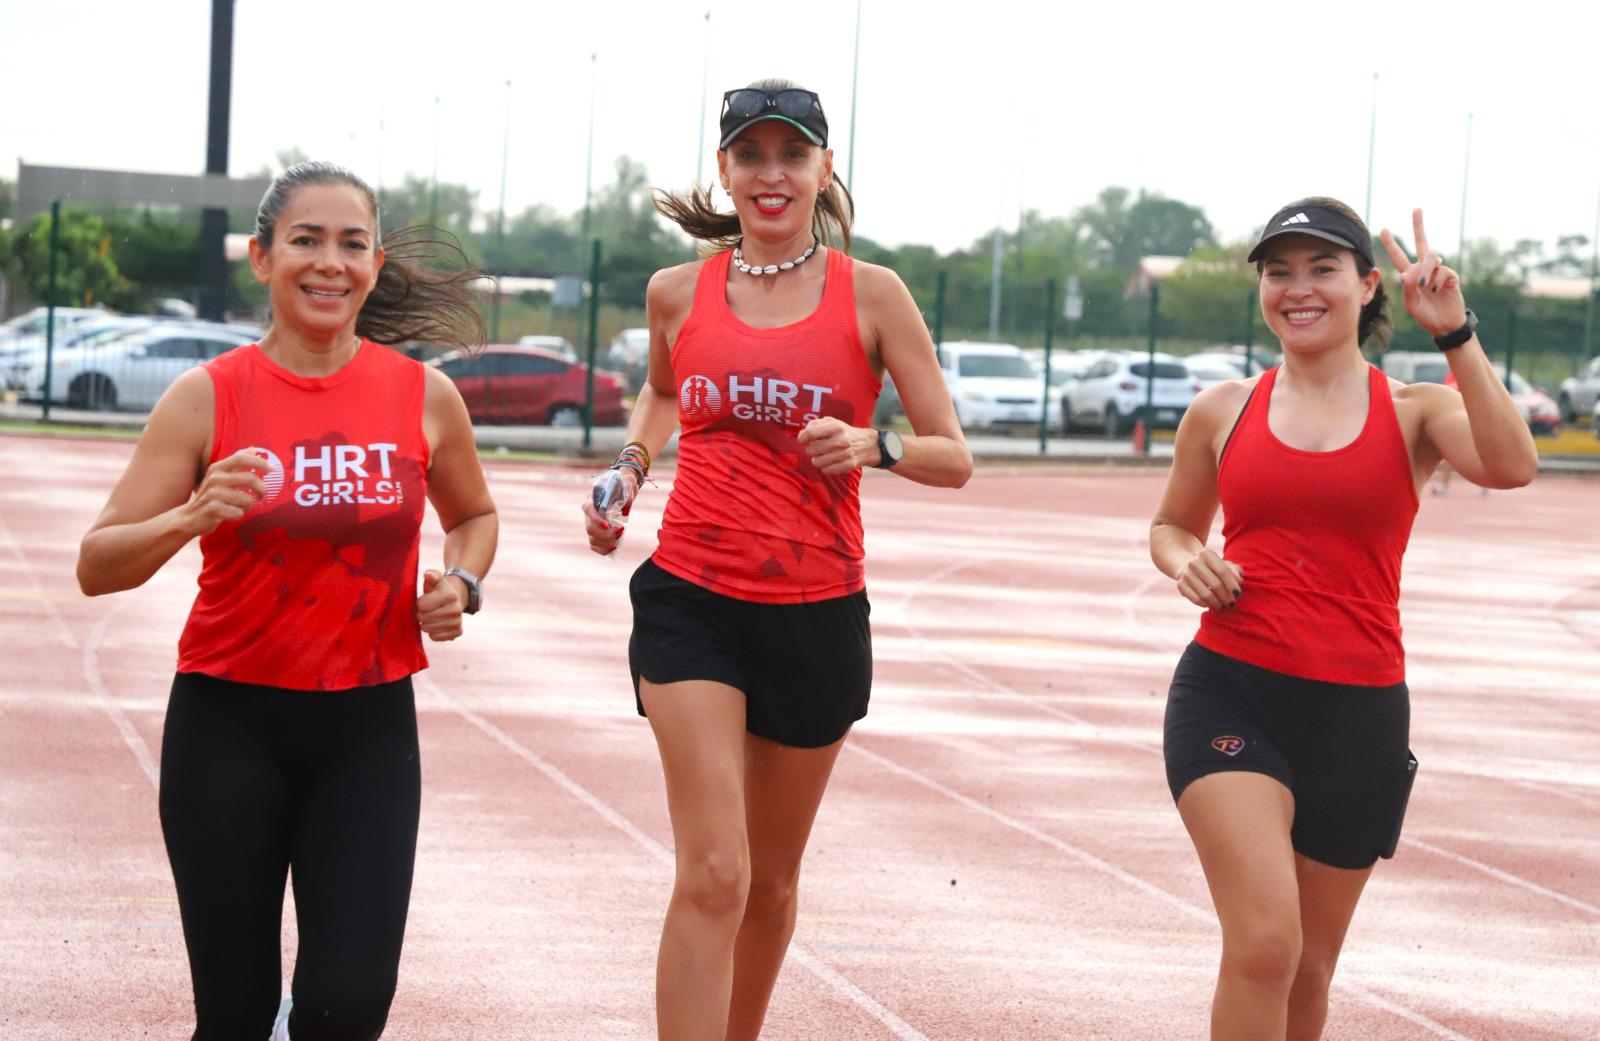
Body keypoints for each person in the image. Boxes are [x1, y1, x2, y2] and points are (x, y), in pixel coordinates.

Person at [580, 80, 972, 1040]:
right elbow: (663, 395)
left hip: (816, 607)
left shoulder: (873, 294)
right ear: (725, 169)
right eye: (750, 155)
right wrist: (630, 469)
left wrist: (875, 447)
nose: (770, 174)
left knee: (771, 878)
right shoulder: (679, 291)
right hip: (690, 598)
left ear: (822, 169)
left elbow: (953, 455)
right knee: (717, 868)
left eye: (790, 156)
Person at [76, 161, 498, 1041]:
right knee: (231, 1016)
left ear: (375, 266)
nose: (329, 262)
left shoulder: (425, 396)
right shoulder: (208, 396)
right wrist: (192, 514)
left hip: (369, 732)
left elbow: (476, 515)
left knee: (348, 1008)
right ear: (262, 259)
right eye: (306, 240)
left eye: (351, 244)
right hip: (227, 726)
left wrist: (461, 582)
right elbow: (96, 563)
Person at [1149, 199, 1536, 1041]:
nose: (1297, 289)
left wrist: (1457, 333)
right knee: (1263, 943)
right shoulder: (1221, 410)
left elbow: (1512, 465)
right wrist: (1189, 563)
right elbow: (1170, 527)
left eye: (1321, 269)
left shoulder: (1415, 410)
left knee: (1309, 970)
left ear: (1366, 285)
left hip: (1359, 712)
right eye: (1278, 271)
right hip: (1231, 693)